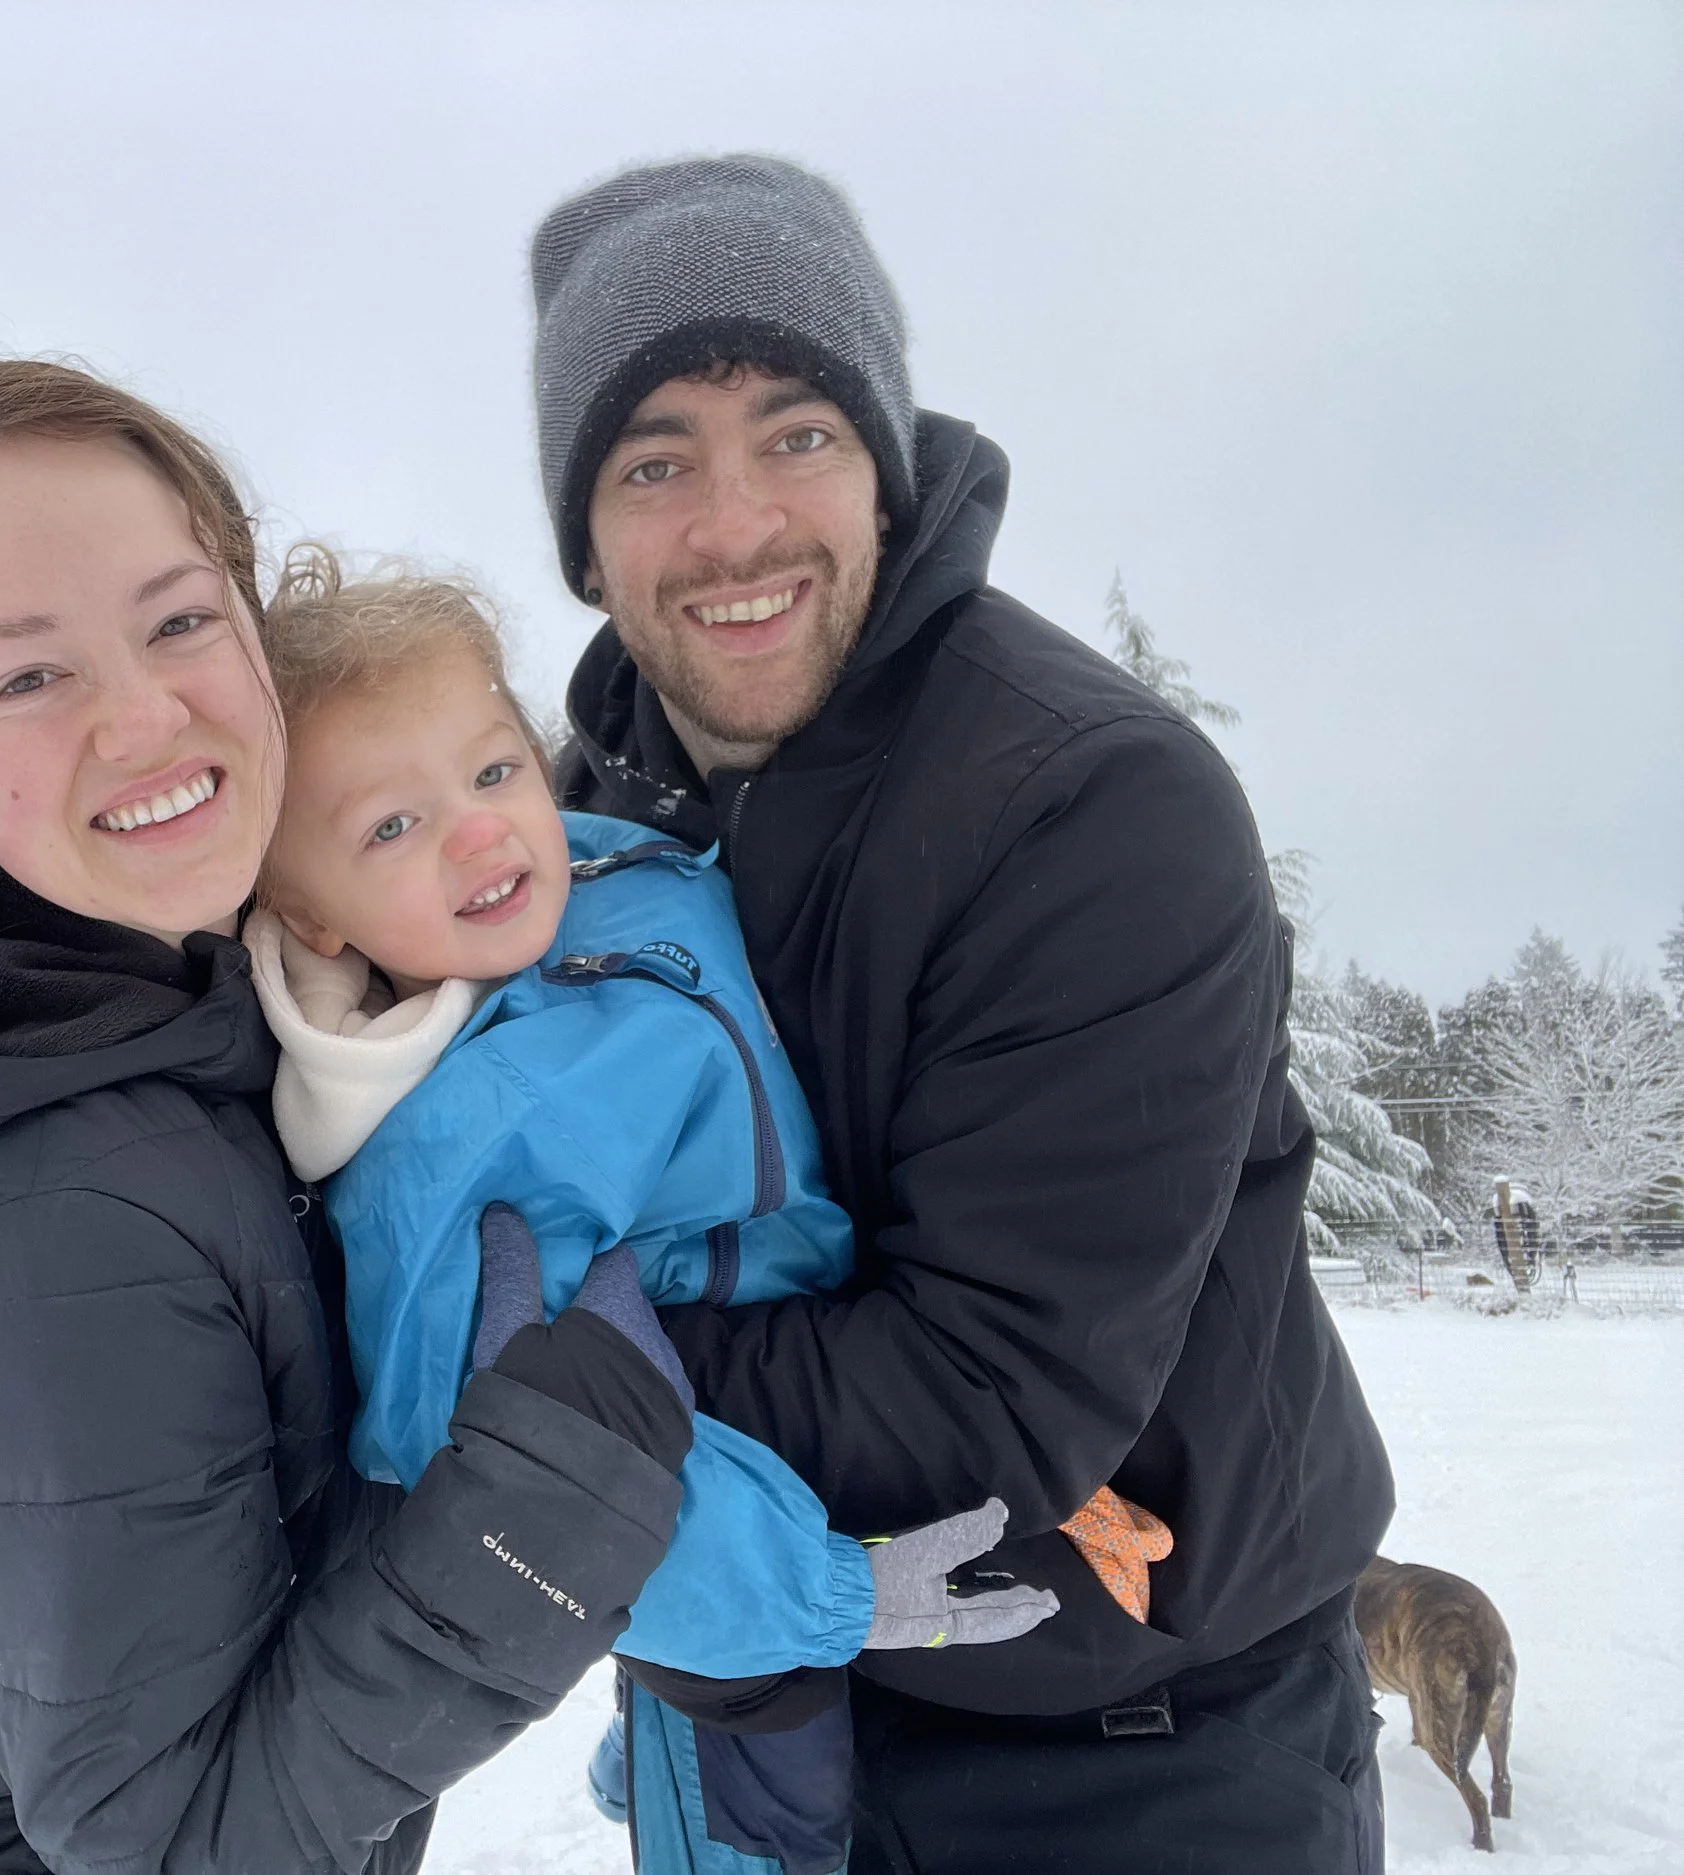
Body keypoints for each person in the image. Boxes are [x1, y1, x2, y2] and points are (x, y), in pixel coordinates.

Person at [0, 358, 702, 1874]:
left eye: (180, 619)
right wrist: (533, 1508)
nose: (144, 716)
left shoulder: (197, 1019)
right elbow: (180, 1846)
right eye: (28, 675)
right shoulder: (40, 1222)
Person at [536, 155, 1395, 1872]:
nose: (734, 523)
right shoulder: (570, 824)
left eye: (798, 430)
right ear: (585, 533)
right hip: (754, 1702)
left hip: (1124, 1754)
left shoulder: (1088, 805)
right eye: (655, 460)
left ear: (885, 464)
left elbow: (984, 1406)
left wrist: (521, 1370)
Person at [239, 552, 1065, 1875]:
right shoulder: (445, 1152)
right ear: (310, 913)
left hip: (835, 1393)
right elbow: (556, 1483)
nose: (481, 831)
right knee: (769, 1822)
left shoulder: (591, 893)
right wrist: (825, 1593)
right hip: (743, 1556)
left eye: (495, 770)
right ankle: (676, 1761)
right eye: (390, 827)